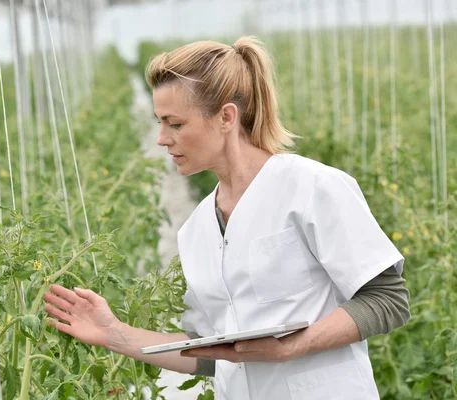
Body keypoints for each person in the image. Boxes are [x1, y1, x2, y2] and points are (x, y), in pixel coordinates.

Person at [43, 36, 410, 399]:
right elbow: (210, 353)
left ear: (226, 118)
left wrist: (292, 346)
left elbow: (387, 299)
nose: (161, 139)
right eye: (159, 123)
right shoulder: (197, 228)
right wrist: (113, 334)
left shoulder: (312, 188)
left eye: (175, 124)